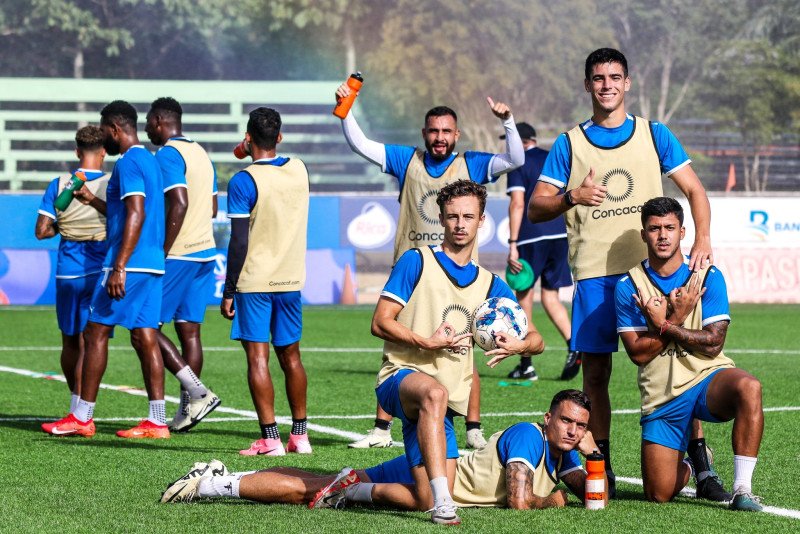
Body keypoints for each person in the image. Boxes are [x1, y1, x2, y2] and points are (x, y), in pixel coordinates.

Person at [527, 47, 724, 500]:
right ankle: (601, 465)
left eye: (615, 77)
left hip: (652, 273)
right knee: (595, 376)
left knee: (680, 363)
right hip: (595, 276)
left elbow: (694, 189)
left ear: (628, 82)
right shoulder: (569, 143)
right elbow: (538, 207)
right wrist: (571, 196)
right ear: (587, 85)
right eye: (598, 78)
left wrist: (704, 239)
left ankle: (699, 458)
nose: (607, 85)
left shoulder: (654, 134)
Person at [337, 84, 525, 451]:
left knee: (466, 345)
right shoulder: (407, 159)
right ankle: (380, 429)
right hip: (414, 269)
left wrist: (509, 122)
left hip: (458, 270)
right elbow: (361, 144)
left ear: (457, 135)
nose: (439, 138)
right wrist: (347, 110)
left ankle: (473, 428)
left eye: (446, 132)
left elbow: (514, 159)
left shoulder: (469, 163)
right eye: (433, 131)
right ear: (425, 134)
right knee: (396, 348)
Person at [366, 179, 544, 525]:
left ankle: (353, 486)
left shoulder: (491, 286)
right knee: (434, 393)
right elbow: (380, 322)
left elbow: (537, 339)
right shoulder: (416, 261)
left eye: (468, 216)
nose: (460, 224)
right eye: (452, 216)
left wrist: (521, 345)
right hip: (399, 378)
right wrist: (425, 342)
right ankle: (444, 506)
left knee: (422, 496)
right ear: (441, 219)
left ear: (481, 221)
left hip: (442, 407)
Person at [160, 390, 600, 514]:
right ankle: (214, 482)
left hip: (428, 477)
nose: (571, 430)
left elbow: (600, 497)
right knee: (316, 491)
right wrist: (554, 498)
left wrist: (592, 451)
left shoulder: (567, 453)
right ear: (547, 418)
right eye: (566, 421)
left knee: (326, 479)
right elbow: (521, 502)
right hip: (424, 474)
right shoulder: (530, 435)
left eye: (579, 426)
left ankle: (221, 474)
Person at [615, 197, 764, 511]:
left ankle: (742, 490)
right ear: (643, 235)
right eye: (654, 229)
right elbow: (638, 355)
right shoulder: (629, 285)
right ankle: (697, 462)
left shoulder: (708, 277)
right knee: (658, 494)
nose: (663, 235)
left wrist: (665, 325)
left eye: (670, 227)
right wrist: (680, 317)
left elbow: (713, 343)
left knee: (749, 387)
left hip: (708, 379)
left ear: (683, 232)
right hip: (663, 396)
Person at [42, 100, 169, 438]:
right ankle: (158, 422)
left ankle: (81, 417)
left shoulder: (128, 163)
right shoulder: (149, 161)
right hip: (153, 262)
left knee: (94, 333)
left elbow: (136, 214)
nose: (102, 139)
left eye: (104, 132)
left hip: (130, 262)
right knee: (145, 338)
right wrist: (90, 199)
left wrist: (120, 266)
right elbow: (125, 209)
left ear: (115, 129)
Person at [221, 107, 311, 456]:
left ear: (247, 137)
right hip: (290, 281)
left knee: (258, 360)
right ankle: (300, 437)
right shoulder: (300, 169)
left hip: (255, 282)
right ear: (280, 136)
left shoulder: (243, 180)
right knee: (292, 358)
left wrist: (229, 289)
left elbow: (239, 241)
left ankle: (271, 439)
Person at [144, 97, 220, 432]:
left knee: (145, 325)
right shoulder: (202, 153)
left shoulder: (167, 154)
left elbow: (179, 200)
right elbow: (214, 207)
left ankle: (197, 392)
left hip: (178, 254)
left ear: (159, 120)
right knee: (189, 331)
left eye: (148, 121)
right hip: (205, 252)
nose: (146, 128)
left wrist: (163, 248)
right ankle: (188, 410)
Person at [35, 125, 109, 415]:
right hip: (100, 269)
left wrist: (62, 225)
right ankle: (82, 410)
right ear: (103, 152)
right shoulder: (111, 183)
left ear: (77, 152)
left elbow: (42, 231)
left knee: (70, 340)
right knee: (93, 340)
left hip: (69, 269)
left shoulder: (60, 182)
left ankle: (76, 404)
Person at [504, 122, 577, 382]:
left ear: (520, 141)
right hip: (559, 234)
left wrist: (513, 243)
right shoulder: (551, 157)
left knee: (522, 299)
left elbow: (518, 203)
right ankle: (574, 345)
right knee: (550, 297)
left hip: (531, 235)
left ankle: (527, 364)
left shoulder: (517, 162)